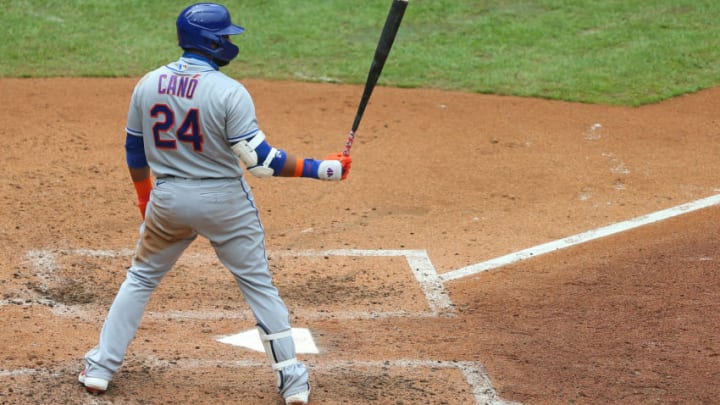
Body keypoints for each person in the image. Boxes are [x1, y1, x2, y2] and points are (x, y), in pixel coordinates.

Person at [78, 3, 351, 404]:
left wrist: (144, 197)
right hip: (224, 203)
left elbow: (134, 150)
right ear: (209, 41)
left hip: (168, 199)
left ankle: (100, 368)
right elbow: (261, 163)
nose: (229, 42)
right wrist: (324, 168)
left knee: (140, 279)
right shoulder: (229, 92)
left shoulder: (148, 83)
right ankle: (292, 381)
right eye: (224, 36)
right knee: (259, 286)